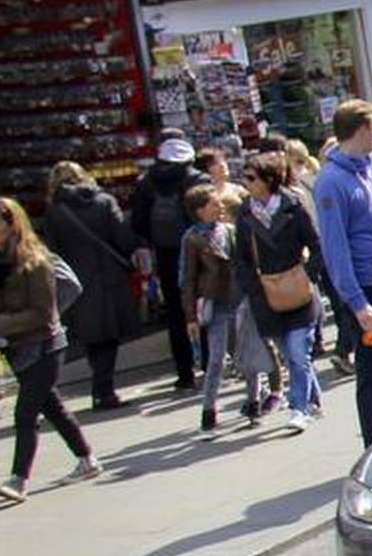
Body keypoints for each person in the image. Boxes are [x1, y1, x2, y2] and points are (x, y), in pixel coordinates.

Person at [0, 196, 100, 502]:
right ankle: (87, 459)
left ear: (12, 225)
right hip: (17, 346)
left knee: (25, 413)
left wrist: (0, 321)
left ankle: (19, 480)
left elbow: (44, 314)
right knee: (52, 407)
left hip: (44, 345)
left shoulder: (36, 261)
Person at [313, 101, 372, 447]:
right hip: (369, 288)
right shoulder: (331, 181)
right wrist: (357, 303)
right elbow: (335, 248)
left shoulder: (367, 168)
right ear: (360, 129)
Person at [39, 162, 143, 411]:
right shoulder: (104, 202)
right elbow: (123, 238)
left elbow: (51, 252)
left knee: (92, 336)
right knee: (109, 335)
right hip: (109, 278)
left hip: (76, 283)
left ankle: (101, 387)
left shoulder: (55, 212)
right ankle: (103, 389)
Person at [234, 153, 323, 431]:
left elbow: (315, 242)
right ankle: (314, 398)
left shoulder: (293, 206)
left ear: (268, 180)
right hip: (266, 294)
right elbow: (242, 258)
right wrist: (251, 287)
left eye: (251, 178)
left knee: (298, 352)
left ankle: (299, 408)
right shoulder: (245, 213)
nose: (245, 183)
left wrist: (309, 273)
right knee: (290, 353)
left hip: (298, 290)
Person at [128, 135, 207, 394]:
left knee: (175, 313)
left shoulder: (145, 183)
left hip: (165, 253)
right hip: (198, 249)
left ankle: (184, 373)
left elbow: (137, 222)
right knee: (203, 305)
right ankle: (208, 364)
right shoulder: (196, 179)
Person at [178, 184, 256, 436]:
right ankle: (208, 409)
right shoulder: (192, 239)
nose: (221, 207)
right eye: (214, 203)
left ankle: (253, 401)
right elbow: (187, 278)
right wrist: (190, 315)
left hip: (239, 297)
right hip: (217, 301)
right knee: (216, 358)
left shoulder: (230, 231)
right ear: (199, 211)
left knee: (246, 351)